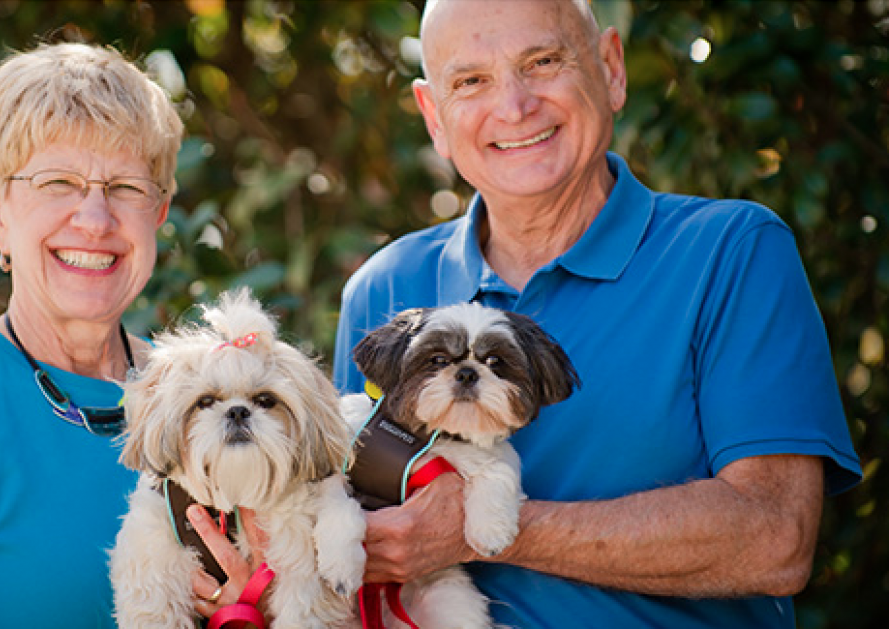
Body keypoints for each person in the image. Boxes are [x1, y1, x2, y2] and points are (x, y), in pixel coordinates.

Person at [332, 1, 862, 627]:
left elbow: (776, 536)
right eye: (471, 81)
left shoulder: (731, 252)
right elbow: (347, 544)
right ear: (434, 118)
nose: (514, 105)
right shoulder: (385, 290)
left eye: (544, 61)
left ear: (611, 69)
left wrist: (490, 527)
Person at [0, 41, 244, 627]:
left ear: (160, 212)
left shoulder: (209, 403)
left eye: (124, 188)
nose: (94, 221)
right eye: (58, 182)